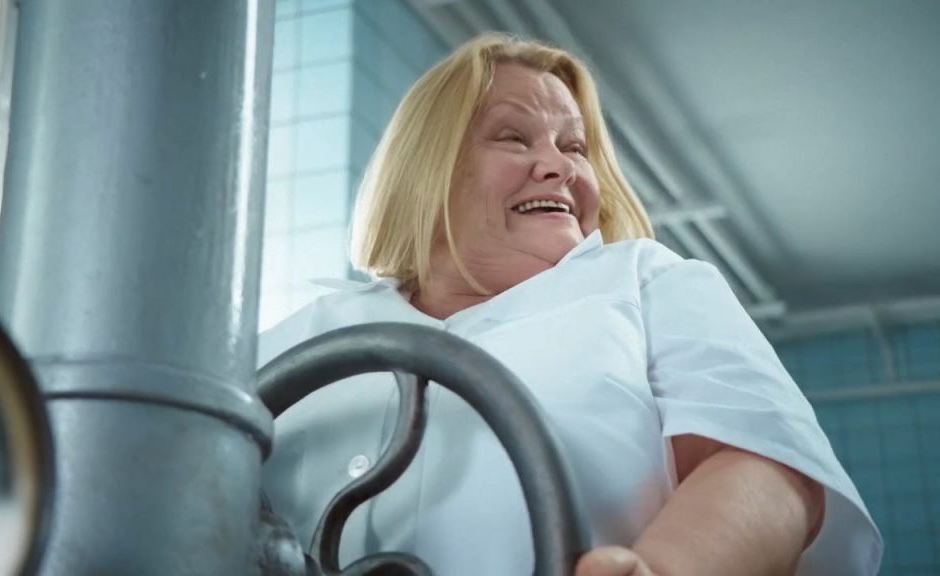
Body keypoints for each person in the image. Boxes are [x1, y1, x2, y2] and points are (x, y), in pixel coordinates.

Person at [257, 33, 881, 575]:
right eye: (513, 138)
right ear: (429, 167)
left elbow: (766, 470)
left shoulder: (647, 282)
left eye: (575, 147)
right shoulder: (295, 338)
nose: (559, 167)